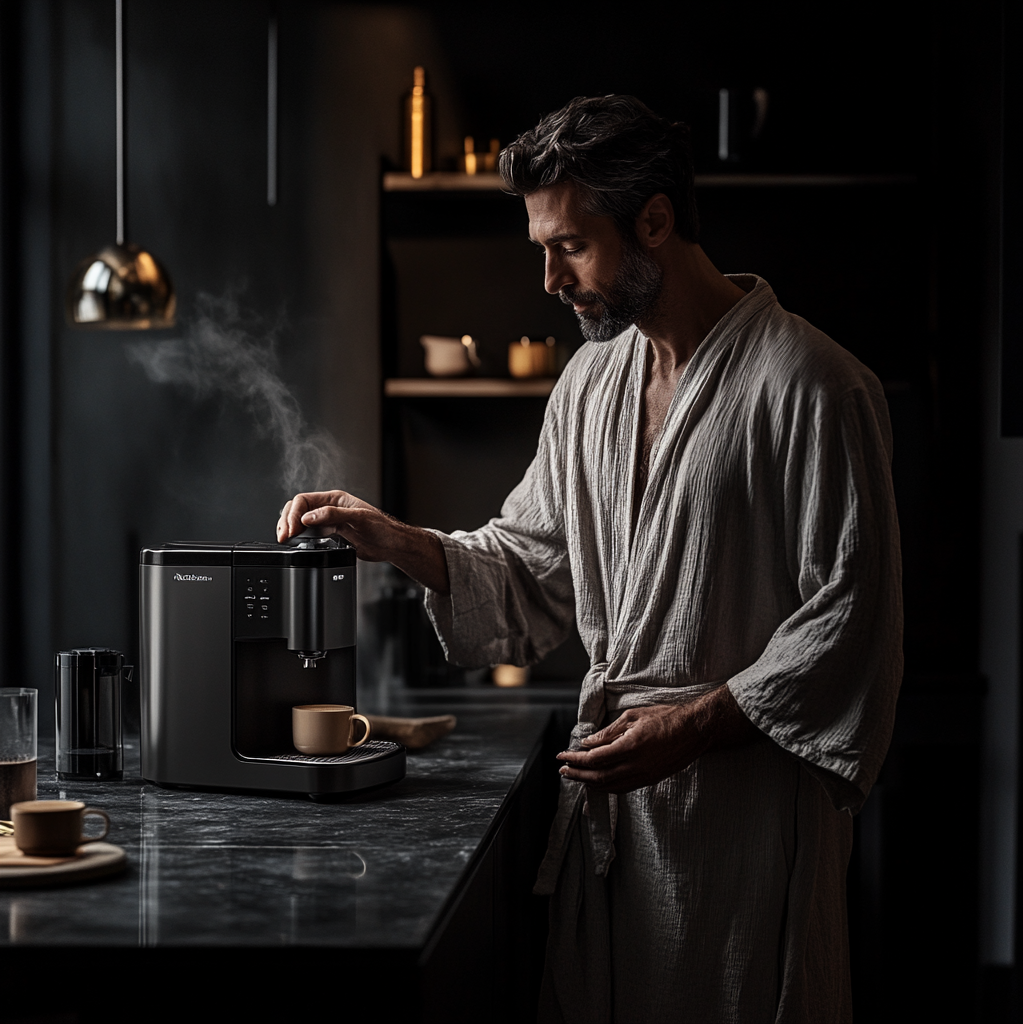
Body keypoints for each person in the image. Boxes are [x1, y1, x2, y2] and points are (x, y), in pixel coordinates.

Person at [277, 95, 902, 1024]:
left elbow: (852, 621)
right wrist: (402, 543)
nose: (546, 278)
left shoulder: (813, 385)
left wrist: (687, 727)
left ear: (654, 219)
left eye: (568, 245)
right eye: (539, 246)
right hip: (621, 809)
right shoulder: (589, 383)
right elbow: (531, 564)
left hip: (743, 826)